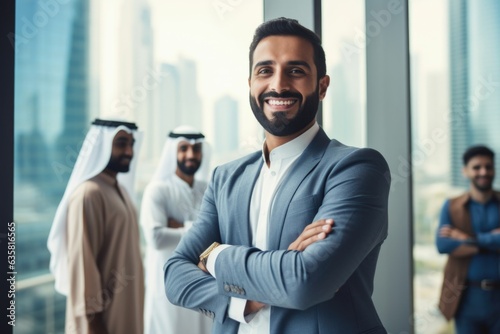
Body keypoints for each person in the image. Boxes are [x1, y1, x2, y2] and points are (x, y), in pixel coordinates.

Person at [164, 17, 391, 334]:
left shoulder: (357, 168)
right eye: (265, 70)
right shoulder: (225, 178)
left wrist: (216, 256)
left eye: (296, 71)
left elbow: (304, 282)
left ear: (322, 86)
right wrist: (247, 300)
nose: (279, 84)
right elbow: (174, 276)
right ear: (251, 84)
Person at [47, 118, 144, 334]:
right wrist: (93, 322)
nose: (129, 151)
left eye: (131, 144)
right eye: (121, 143)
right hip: (100, 322)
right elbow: (83, 262)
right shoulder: (89, 194)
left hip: (126, 310)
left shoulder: (121, 192)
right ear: (102, 145)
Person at [140, 125, 212, 334]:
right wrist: (198, 230)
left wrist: (180, 227)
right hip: (166, 285)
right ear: (173, 152)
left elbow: (218, 233)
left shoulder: (205, 188)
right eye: (183, 148)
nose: (191, 155)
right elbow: (156, 238)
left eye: (196, 149)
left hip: (201, 282)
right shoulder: (157, 190)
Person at [436, 145, 500, 333]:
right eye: (477, 167)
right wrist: (491, 242)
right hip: (466, 300)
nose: (483, 172)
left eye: (488, 166)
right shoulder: (452, 206)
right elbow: (443, 245)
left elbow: (457, 243)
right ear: (465, 171)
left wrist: (467, 238)